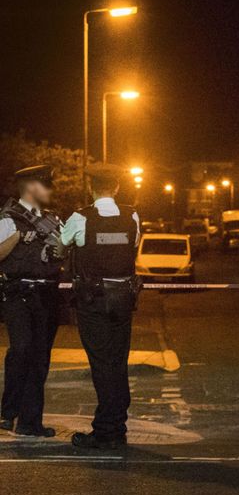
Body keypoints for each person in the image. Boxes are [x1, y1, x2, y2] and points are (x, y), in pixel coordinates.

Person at [59, 163, 141, 449]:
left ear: (91, 188)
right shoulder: (132, 216)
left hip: (93, 300)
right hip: (123, 298)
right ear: (117, 187)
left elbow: (61, 245)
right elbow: (132, 247)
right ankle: (117, 427)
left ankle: (106, 432)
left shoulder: (80, 218)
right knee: (118, 363)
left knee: (102, 365)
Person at [0, 165, 62, 437]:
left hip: (47, 295)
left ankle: (30, 421)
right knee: (22, 348)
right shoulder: (8, 219)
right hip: (19, 294)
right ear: (31, 188)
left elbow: (64, 253)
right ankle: (7, 411)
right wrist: (18, 238)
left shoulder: (53, 219)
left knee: (40, 358)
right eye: (46, 185)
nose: (50, 191)